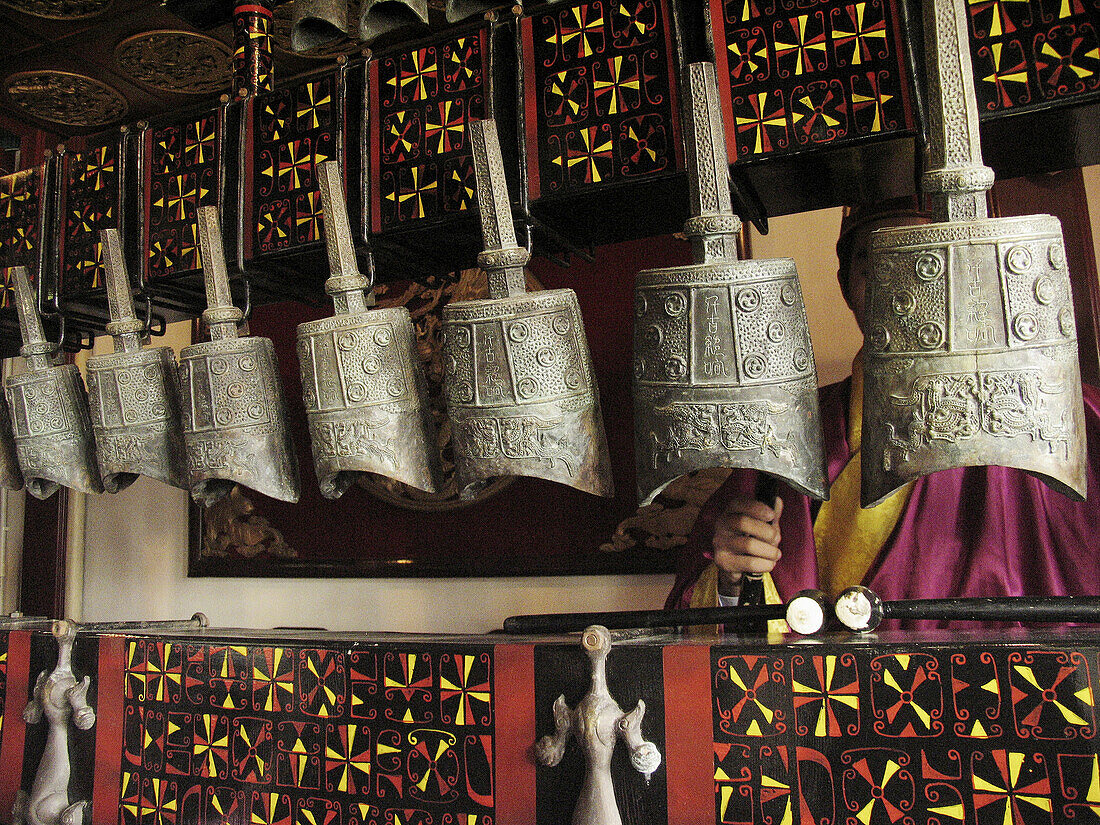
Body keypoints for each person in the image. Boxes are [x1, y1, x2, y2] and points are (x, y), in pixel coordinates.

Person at [666, 199, 1100, 624]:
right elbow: (707, 611)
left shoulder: (1053, 412)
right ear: (844, 283)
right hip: (822, 689)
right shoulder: (782, 428)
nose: (898, 283)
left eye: (920, 257)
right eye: (874, 263)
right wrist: (731, 578)